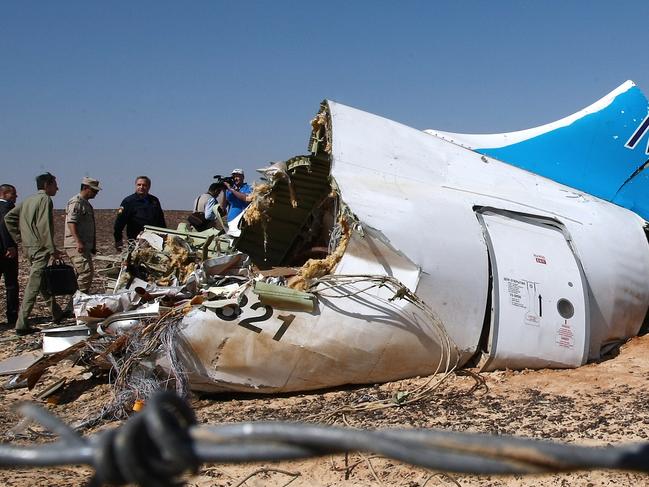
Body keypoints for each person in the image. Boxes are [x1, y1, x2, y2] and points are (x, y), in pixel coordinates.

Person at [4, 173, 64, 336]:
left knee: (41, 280)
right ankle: (22, 323)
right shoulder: (45, 200)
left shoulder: (28, 200)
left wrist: (20, 237)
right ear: (47, 185)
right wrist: (52, 250)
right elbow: (44, 226)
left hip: (29, 247)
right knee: (33, 285)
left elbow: (9, 218)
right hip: (40, 248)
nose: (57, 188)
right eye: (54, 184)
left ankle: (56, 312)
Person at [64, 177, 101, 294]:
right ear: (85, 188)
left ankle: (75, 304)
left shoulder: (86, 204)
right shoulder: (76, 202)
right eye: (94, 190)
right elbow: (71, 222)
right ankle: (76, 305)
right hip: (76, 246)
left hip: (84, 246)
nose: (96, 193)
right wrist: (78, 241)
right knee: (85, 274)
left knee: (83, 274)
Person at [114, 176, 166, 251]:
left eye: (144, 185)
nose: (141, 187)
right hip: (136, 240)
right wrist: (118, 240)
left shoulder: (154, 201)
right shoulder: (128, 202)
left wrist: (164, 236)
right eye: (139, 185)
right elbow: (119, 223)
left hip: (155, 240)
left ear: (149, 187)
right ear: (135, 185)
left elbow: (161, 220)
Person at [0, 184, 19, 326]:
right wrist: (10, 246)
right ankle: (12, 316)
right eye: (13, 194)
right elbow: (5, 226)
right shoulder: (7, 208)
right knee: (11, 284)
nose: (16, 197)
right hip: (6, 252)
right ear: (4, 194)